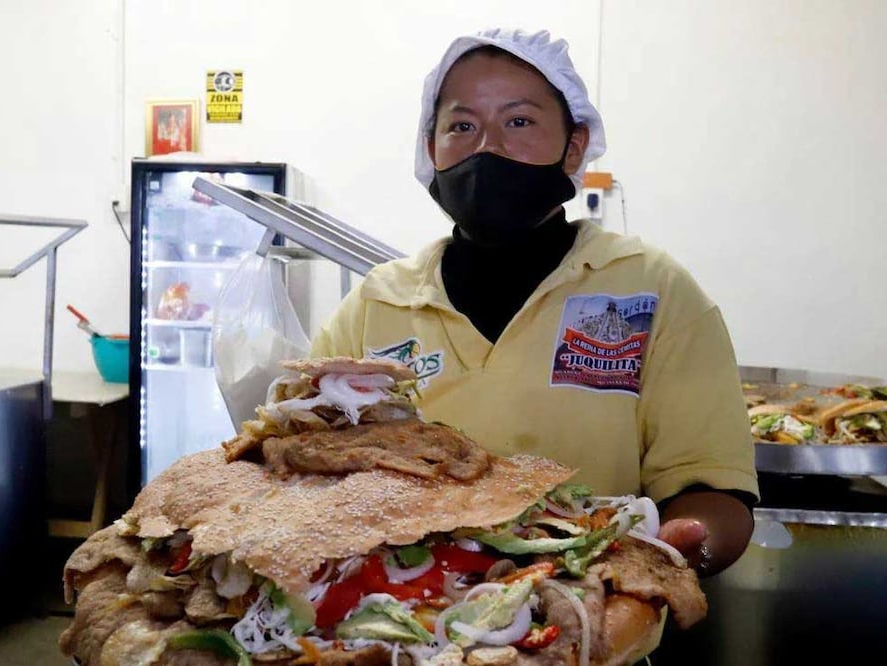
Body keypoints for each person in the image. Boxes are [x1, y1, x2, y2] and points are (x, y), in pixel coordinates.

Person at [310, 27, 758, 585]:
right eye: (461, 126)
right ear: (431, 149)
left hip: (585, 617)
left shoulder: (651, 290)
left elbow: (713, 490)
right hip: (406, 621)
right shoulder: (376, 303)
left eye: (518, 122)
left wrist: (665, 557)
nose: (485, 147)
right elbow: (303, 467)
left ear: (573, 144)